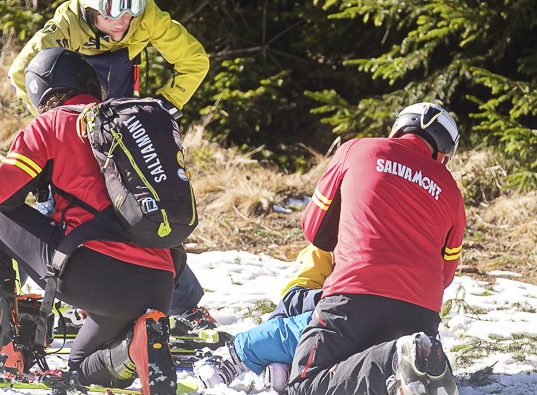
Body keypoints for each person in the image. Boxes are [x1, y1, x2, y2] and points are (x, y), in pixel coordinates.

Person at [6, 0, 213, 328]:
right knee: (57, 205)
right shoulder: (66, 25)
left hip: (121, 130)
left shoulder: (146, 18)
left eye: (131, 5)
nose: (123, 19)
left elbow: (194, 61)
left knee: (145, 207)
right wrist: (57, 125)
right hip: (74, 126)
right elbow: (22, 72)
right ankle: (11, 291)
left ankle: (187, 306)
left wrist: (163, 107)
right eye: (110, 9)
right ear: (86, 9)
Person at [0, 47, 176, 395]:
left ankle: (0, 350)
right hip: (159, 284)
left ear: (42, 94)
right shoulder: (132, 129)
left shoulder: (54, 122)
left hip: (94, 276)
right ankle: (135, 347)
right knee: (78, 370)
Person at [288, 102, 466, 395]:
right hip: (420, 315)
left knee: (305, 384)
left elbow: (314, 229)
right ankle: (411, 356)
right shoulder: (451, 190)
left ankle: (396, 358)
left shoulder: (357, 149)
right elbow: (446, 275)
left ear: (397, 128)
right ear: (445, 154)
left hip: (353, 297)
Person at [194, 244, 333, 393]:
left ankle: (285, 365)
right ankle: (239, 355)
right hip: (316, 291)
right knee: (316, 315)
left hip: (331, 294)